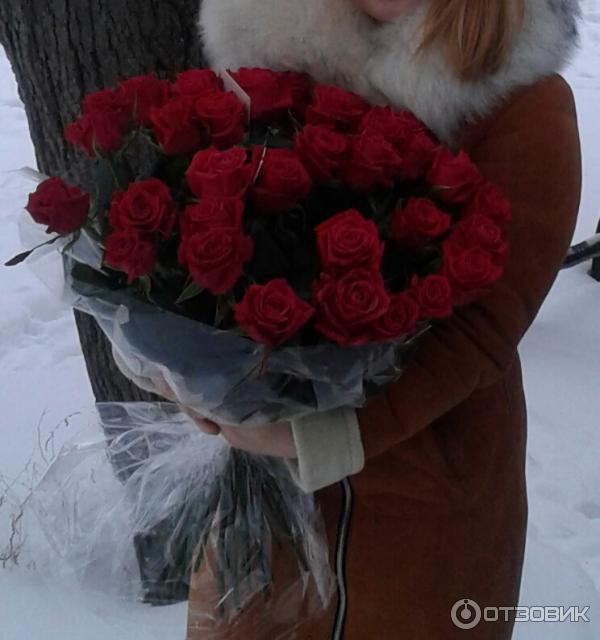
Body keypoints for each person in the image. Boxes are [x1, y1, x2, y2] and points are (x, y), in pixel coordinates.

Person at [136, 0, 585, 638]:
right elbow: (196, 225)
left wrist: (321, 438)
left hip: (424, 501)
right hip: (259, 508)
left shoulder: (522, 99)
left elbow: (480, 330)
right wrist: (184, 365)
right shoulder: (269, 42)